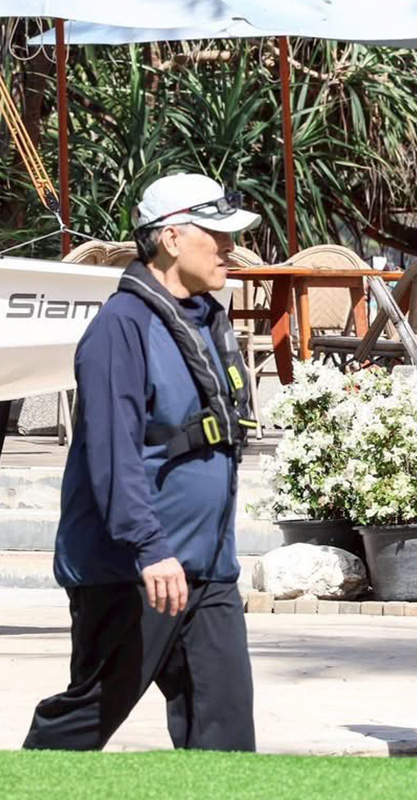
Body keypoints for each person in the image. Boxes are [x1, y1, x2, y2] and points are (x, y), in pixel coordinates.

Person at [23, 173, 260, 751]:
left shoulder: (207, 320)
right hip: (133, 570)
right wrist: (150, 549)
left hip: (207, 569)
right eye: (218, 235)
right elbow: (113, 455)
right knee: (86, 717)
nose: (231, 247)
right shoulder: (119, 329)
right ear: (172, 238)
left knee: (226, 729)